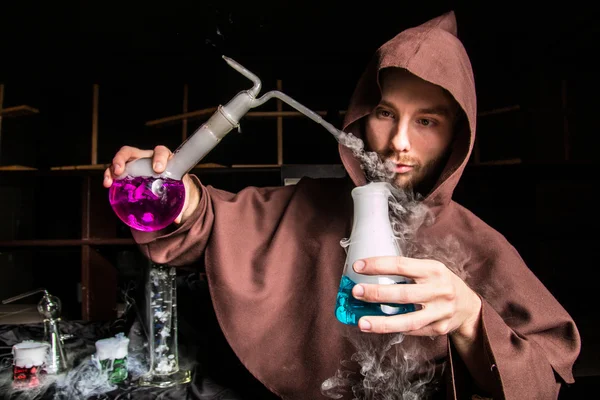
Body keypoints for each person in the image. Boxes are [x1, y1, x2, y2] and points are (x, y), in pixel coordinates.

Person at [103, 10, 580, 400]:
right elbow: (203, 221)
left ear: (458, 137)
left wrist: (471, 318)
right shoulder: (304, 205)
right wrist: (171, 191)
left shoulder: (478, 242)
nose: (399, 143)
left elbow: (543, 380)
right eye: (387, 114)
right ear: (360, 118)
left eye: (428, 121)